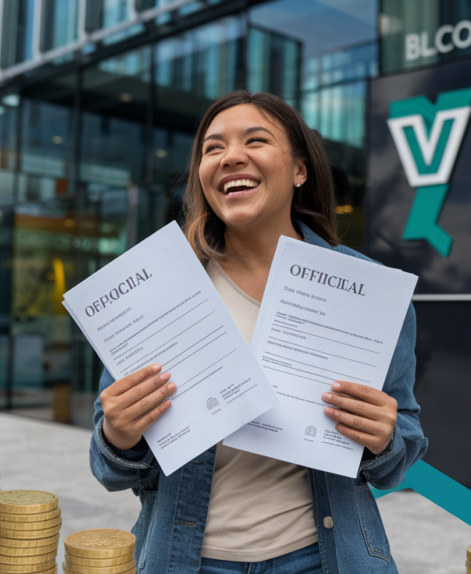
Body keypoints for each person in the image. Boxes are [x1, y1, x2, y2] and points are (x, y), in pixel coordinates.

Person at [89, 91, 427, 574]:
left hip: (324, 559)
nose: (231, 157)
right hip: (187, 561)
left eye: (256, 140)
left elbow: (401, 450)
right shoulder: (157, 290)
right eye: (212, 148)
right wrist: (118, 435)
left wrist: (385, 437)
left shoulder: (367, 292)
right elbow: (107, 465)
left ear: (299, 170)